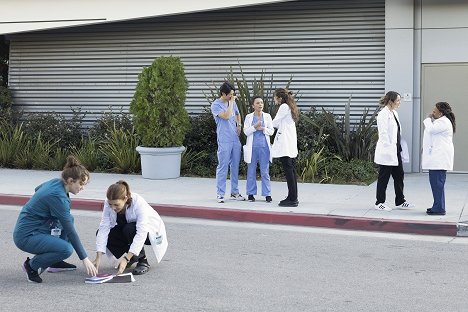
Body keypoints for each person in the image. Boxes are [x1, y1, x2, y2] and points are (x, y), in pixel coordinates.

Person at [13, 156, 98, 283]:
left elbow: (37, 189)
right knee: (66, 249)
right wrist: (84, 258)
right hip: (26, 236)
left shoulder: (56, 182)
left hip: (36, 228)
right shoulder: (58, 197)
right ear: (70, 181)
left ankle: (55, 261)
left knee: (69, 219)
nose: (82, 188)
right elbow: (71, 232)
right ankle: (31, 266)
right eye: (81, 184)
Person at [93, 180, 168, 275]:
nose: (112, 208)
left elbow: (141, 232)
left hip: (149, 233)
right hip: (128, 230)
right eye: (110, 204)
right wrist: (98, 257)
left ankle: (143, 261)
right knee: (102, 232)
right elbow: (104, 227)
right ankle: (132, 257)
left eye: (116, 205)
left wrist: (125, 258)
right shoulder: (109, 203)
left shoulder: (138, 203)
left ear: (125, 198)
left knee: (129, 229)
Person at [374, 91, 414, 211]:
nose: (399, 103)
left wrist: (397, 147)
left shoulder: (394, 113)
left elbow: (397, 131)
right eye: (397, 100)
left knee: (399, 175)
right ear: (390, 101)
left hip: (396, 151)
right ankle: (379, 202)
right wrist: (389, 147)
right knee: (384, 177)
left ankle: (400, 201)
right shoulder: (383, 114)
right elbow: (383, 133)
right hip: (387, 151)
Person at [210, 81, 246, 203]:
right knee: (223, 166)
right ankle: (220, 194)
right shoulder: (216, 105)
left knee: (235, 166)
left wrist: (239, 125)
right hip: (224, 139)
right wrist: (231, 102)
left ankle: (234, 192)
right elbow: (226, 116)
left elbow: (237, 114)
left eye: (233, 94)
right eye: (230, 94)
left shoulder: (231, 102)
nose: (232, 96)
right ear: (223, 94)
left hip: (235, 138)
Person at [422, 102, 456, 216]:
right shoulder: (441, 121)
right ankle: (437, 206)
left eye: (434, 111)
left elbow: (431, 130)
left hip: (439, 158)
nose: (432, 113)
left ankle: (439, 208)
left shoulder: (443, 122)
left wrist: (427, 119)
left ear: (441, 113)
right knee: (437, 184)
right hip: (437, 158)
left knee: (437, 184)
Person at [271, 88, 299, 207]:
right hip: (289, 142)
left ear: (280, 98)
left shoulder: (283, 107)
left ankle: (292, 199)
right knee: (291, 170)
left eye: (275, 97)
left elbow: (275, 123)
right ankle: (293, 197)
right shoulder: (290, 107)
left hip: (285, 143)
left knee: (289, 171)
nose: (274, 99)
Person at [243, 96, 274, 202]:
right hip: (252, 148)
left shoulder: (268, 116)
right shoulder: (248, 117)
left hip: (264, 147)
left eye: (261, 103)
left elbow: (271, 131)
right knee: (251, 171)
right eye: (257, 103)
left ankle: (267, 194)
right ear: (253, 105)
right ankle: (251, 194)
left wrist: (263, 128)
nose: (260, 104)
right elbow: (246, 132)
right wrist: (254, 127)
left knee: (265, 172)